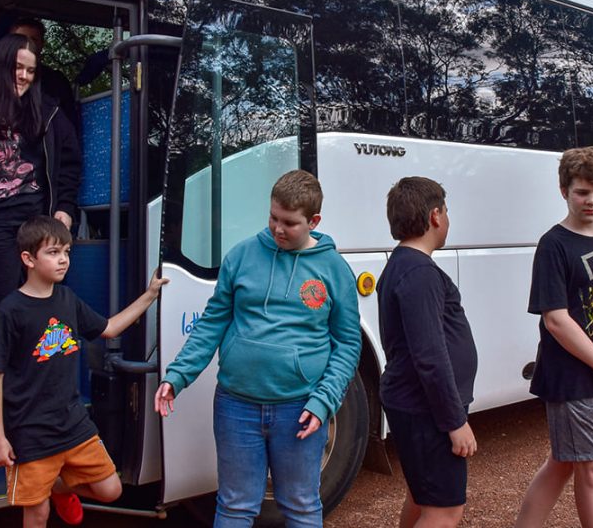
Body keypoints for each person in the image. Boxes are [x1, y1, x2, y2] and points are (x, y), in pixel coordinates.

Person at [153, 169, 361, 527]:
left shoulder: (334, 269)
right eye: (273, 217)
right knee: (234, 506)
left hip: (299, 407)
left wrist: (324, 401)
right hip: (236, 405)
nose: (278, 229)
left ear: (314, 221)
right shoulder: (242, 255)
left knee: (301, 505)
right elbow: (213, 322)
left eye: (289, 223)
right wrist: (178, 375)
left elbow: (347, 343)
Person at [0, 215, 169, 527]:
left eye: (67, 252)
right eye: (53, 252)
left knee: (111, 489)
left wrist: (150, 295)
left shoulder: (68, 298)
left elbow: (109, 328)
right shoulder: (10, 311)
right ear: (28, 259)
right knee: (37, 513)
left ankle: (58, 487)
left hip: (73, 424)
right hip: (30, 430)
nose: (63, 260)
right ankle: (48, 492)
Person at [514, 147, 593, 528]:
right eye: (582, 192)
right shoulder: (554, 245)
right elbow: (556, 320)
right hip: (571, 376)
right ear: (564, 190)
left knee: (564, 463)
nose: (592, 201)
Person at [0, 33, 81, 347]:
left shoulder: (48, 112)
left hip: (36, 225)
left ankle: (33, 385)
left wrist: (64, 207)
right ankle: (1, 385)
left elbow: (69, 164)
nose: (24, 76)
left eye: (30, 70)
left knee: (40, 310)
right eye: (17, 67)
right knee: (0, 308)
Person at [376, 177, 478, 528]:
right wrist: (454, 421)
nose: (448, 219)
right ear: (435, 216)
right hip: (426, 409)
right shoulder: (419, 272)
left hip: (415, 403)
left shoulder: (402, 265)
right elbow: (430, 355)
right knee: (445, 510)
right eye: (446, 211)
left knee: (422, 499)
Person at [9, 17, 81, 133]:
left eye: (33, 39)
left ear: (42, 44)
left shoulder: (55, 82)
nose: (27, 44)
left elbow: (68, 128)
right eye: (21, 39)